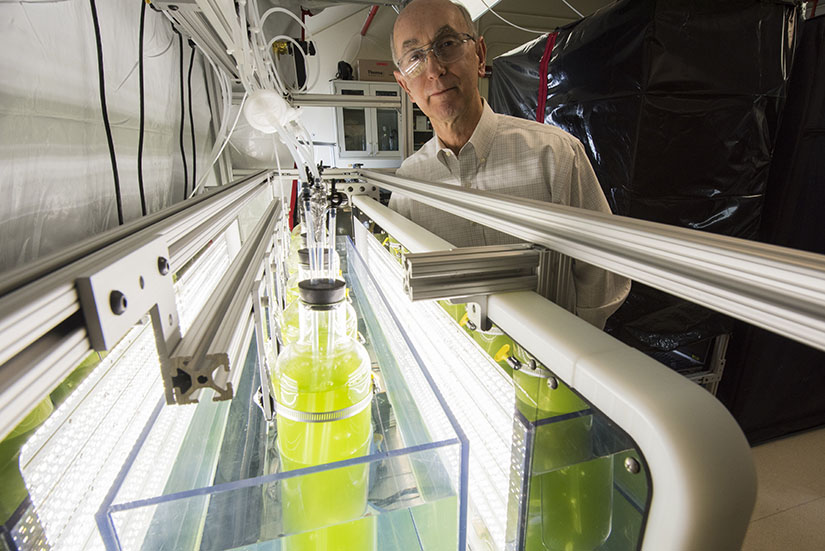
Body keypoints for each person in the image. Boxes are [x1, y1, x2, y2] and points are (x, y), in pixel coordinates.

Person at [388, 0, 630, 329]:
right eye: (415, 58)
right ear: (405, 85)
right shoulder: (408, 187)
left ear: (480, 55)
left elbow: (603, 279)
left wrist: (569, 345)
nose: (434, 69)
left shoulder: (554, 155)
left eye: (447, 44)